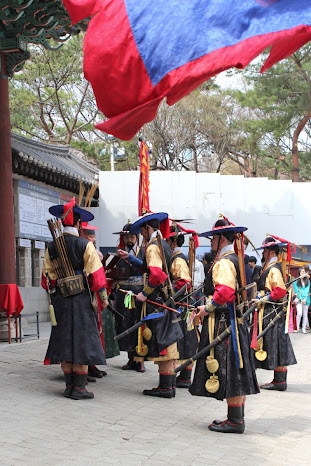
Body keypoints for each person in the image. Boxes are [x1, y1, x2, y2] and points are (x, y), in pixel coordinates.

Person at [189, 218, 259, 434]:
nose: (211, 241)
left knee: (231, 370)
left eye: (214, 238)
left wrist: (206, 308)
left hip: (224, 324)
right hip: (232, 322)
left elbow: (225, 292)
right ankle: (235, 418)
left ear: (222, 239)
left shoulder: (225, 261)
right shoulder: (234, 258)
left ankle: (236, 421)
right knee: (234, 371)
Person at [42, 199, 108, 400]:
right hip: (81, 300)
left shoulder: (52, 246)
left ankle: (69, 385)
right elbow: (97, 277)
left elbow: (47, 278)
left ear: (62, 223)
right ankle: (79, 388)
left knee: (65, 340)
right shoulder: (85, 244)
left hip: (62, 299)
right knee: (82, 340)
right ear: (79, 225)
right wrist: (103, 298)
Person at [117, 212, 183, 398]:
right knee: (167, 344)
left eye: (143, 231)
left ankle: (165, 387)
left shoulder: (153, 247)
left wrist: (144, 293)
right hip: (165, 299)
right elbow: (150, 268)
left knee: (163, 344)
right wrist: (129, 258)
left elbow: (156, 275)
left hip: (156, 301)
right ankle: (168, 386)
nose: (141, 235)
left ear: (147, 229)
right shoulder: (163, 244)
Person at [253, 236, 297, 391]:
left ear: (271, 251)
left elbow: (279, 291)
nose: (263, 253)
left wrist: (264, 298)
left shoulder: (273, 269)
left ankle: (279, 381)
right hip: (268, 311)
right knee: (276, 344)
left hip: (271, 312)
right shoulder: (270, 267)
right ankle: (278, 380)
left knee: (277, 344)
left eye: (264, 250)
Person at [166, 225, 198, 389]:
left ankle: (185, 376)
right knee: (186, 341)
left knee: (184, 341)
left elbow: (184, 282)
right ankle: (184, 375)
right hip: (183, 306)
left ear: (172, 241)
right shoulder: (177, 257)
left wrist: (168, 292)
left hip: (181, 307)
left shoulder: (178, 259)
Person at [113, 221, 145, 372]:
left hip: (138, 293)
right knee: (125, 325)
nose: (129, 240)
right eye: (126, 238)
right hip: (123, 294)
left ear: (137, 237)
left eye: (132, 236)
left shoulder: (143, 252)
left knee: (138, 325)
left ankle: (140, 360)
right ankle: (130, 358)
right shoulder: (118, 254)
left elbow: (146, 269)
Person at [80, 222, 108, 380]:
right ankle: (79, 370)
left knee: (92, 331)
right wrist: (103, 297)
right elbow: (98, 278)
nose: (93, 240)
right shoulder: (85, 248)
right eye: (90, 236)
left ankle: (89, 365)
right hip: (86, 295)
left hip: (85, 295)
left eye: (94, 237)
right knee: (85, 332)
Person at [292, 266, 310, 334]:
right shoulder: (295, 281)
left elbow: (307, 290)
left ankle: (303, 328)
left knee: (305, 314)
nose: (303, 273)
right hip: (299, 299)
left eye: (304, 272)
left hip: (306, 299)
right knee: (299, 313)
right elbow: (296, 291)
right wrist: (301, 299)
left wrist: (304, 299)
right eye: (302, 271)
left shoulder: (307, 281)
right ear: (299, 272)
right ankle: (296, 327)